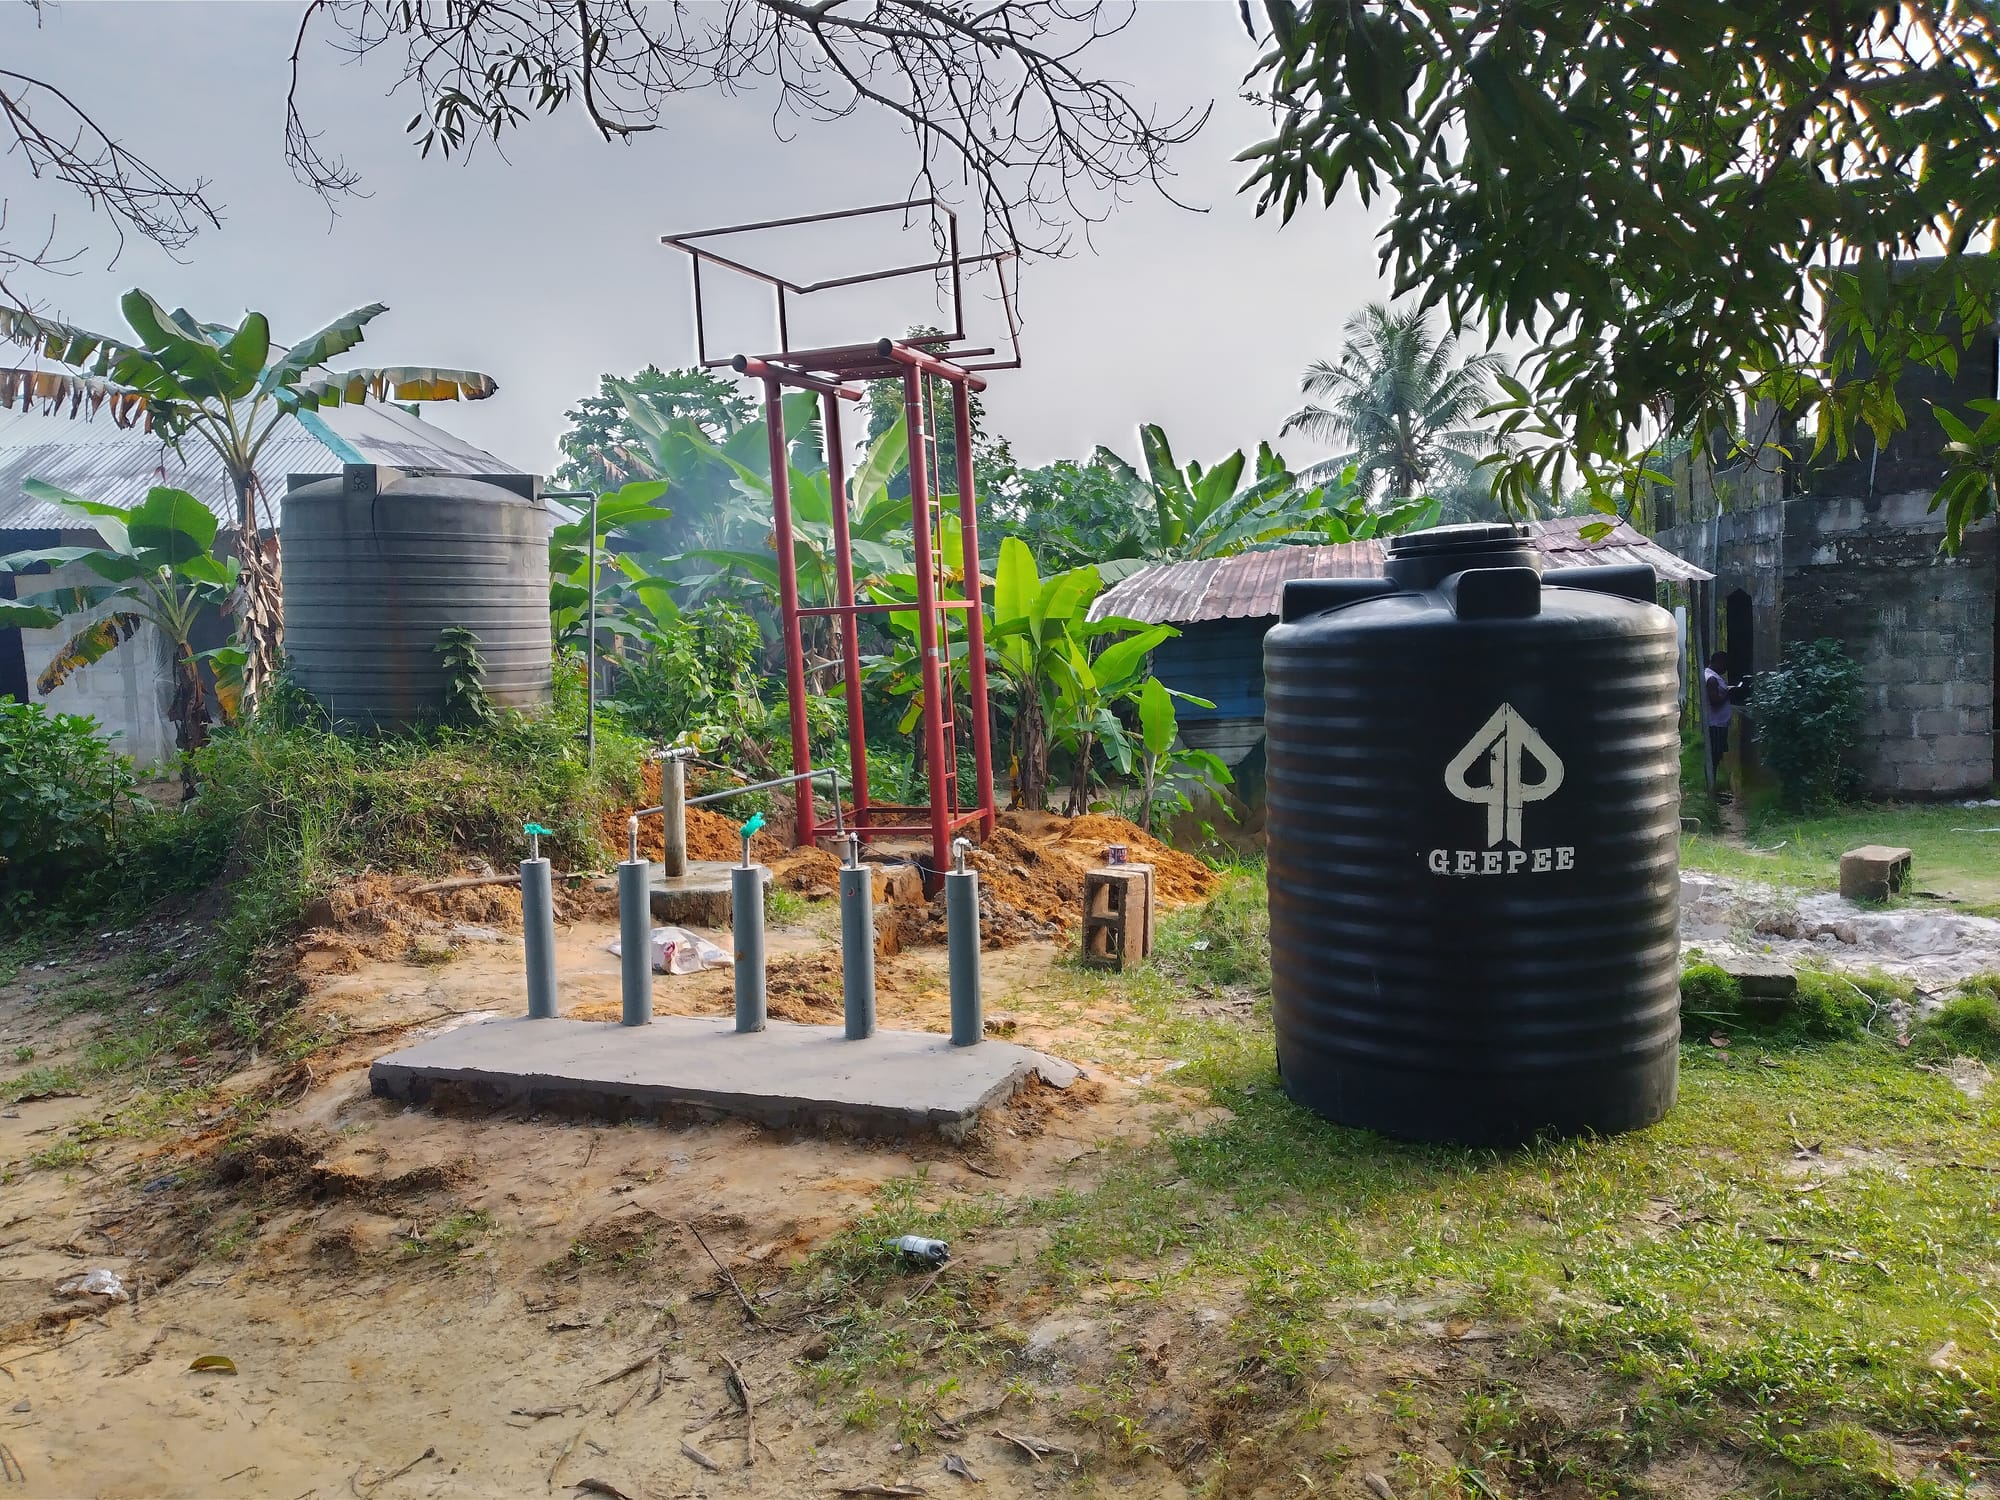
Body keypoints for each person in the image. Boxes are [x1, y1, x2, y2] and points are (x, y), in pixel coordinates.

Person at [1702, 651, 1733, 792]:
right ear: (1718, 662)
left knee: (1715, 757)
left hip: (1716, 723)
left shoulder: (1709, 675)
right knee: (1714, 757)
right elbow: (1715, 701)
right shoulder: (1712, 678)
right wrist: (1728, 693)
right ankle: (1711, 790)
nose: (1726, 668)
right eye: (1725, 664)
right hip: (1716, 724)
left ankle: (1712, 789)